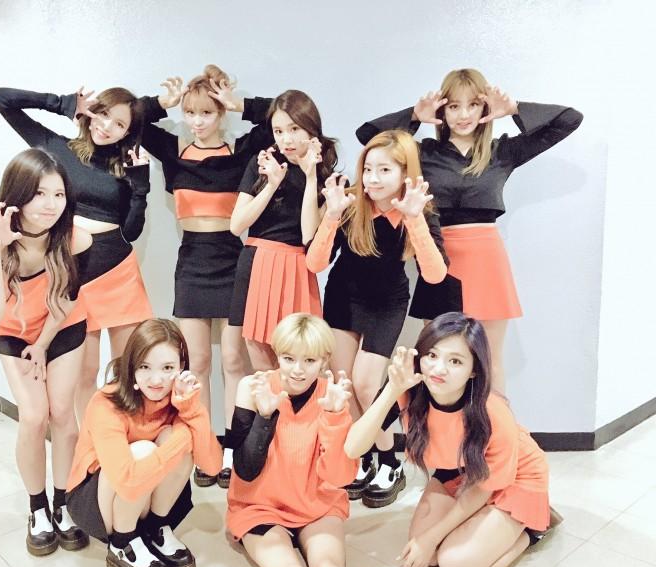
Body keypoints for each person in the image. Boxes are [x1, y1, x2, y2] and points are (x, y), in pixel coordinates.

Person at [356, 68, 583, 394]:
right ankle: (438, 425)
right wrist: (415, 116)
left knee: (489, 360)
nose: (463, 115)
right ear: (442, 111)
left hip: (486, 260)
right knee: (437, 358)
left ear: (484, 108)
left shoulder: (502, 151)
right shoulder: (423, 154)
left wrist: (514, 108)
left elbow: (570, 120)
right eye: (454, 106)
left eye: (473, 105)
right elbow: (368, 136)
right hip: (438, 259)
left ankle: (495, 426)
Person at [0, 148, 92, 556]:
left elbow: (67, 299)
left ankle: (63, 503)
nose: (50, 205)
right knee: (33, 415)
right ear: (17, 195)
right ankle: (37, 507)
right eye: (39, 194)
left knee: (63, 414)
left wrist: (43, 344)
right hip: (14, 331)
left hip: (61, 326)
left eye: (58, 194)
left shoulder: (74, 238)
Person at [345, 313, 554, 567]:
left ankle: (532, 530)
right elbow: (353, 448)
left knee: (456, 566)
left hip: (514, 478)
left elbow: (484, 487)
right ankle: (485, 526)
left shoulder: (492, 412)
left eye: (455, 361)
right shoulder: (410, 389)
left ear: (474, 369)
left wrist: (430, 538)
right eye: (432, 355)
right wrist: (391, 391)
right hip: (457, 470)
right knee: (428, 556)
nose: (439, 369)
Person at [139, 65, 273, 488]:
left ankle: (233, 448)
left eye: (207, 113)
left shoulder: (241, 153)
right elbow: (131, 121)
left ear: (221, 114)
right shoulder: (174, 152)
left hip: (233, 262)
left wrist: (239, 103)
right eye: (190, 113)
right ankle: (204, 449)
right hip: (192, 262)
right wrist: (159, 104)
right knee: (196, 362)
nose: (197, 121)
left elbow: (284, 115)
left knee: (234, 360)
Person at [0, 84, 153, 420]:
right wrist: (62, 103)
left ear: (128, 133)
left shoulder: (127, 168)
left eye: (119, 124)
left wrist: (140, 187)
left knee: (127, 369)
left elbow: (132, 232)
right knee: (85, 373)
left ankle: (119, 436)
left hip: (119, 273)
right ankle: (89, 442)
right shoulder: (57, 148)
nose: (106, 126)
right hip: (75, 271)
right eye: (103, 114)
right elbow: (1, 99)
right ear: (91, 111)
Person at [306, 129, 447, 507]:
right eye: (368, 169)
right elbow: (315, 263)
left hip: (386, 303)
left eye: (384, 170)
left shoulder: (418, 210)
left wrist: (414, 219)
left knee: (368, 386)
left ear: (405, 172)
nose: (372, 178)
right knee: (344, 383)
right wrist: (331, 215)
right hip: (343, 298)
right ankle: (362, 455)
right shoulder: (351, 204)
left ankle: (389, 460)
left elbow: (435, 274)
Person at [66, 319, 222, 567]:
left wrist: (191, 409)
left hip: (146, 495)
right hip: (96, 498)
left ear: (181, 368)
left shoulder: (178, 398)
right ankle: (122, 543)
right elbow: (127, 481)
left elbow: (212, 466)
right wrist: (184, 438)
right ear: (131, 366)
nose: (157, 380)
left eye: (168, 368)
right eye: (145, 367)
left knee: (172, 438)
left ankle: (156, 529)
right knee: (146, 449)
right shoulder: (106, 403)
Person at [227, 313, 358, 567]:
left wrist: (335, 416)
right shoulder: (253, 387)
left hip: (317, 504)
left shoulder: (331, 395)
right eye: (288, 358)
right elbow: (245, 471)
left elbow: (340, 477)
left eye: (309, 361)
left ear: (324, 361)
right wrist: (264, 417)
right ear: (277, 354)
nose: (297, 370)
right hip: (259, 506)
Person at [229, 90, 338, 371]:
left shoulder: (326, 176)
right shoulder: (263, 163)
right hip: (256, 262)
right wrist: (271, 185)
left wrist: (311, 176)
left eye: (294, 129)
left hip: (297, 268)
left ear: (311, 129)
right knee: (261, 363)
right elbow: (236, 225)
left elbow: (309, 236)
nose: (286, 139)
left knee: (300, 359)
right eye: (278, 131)